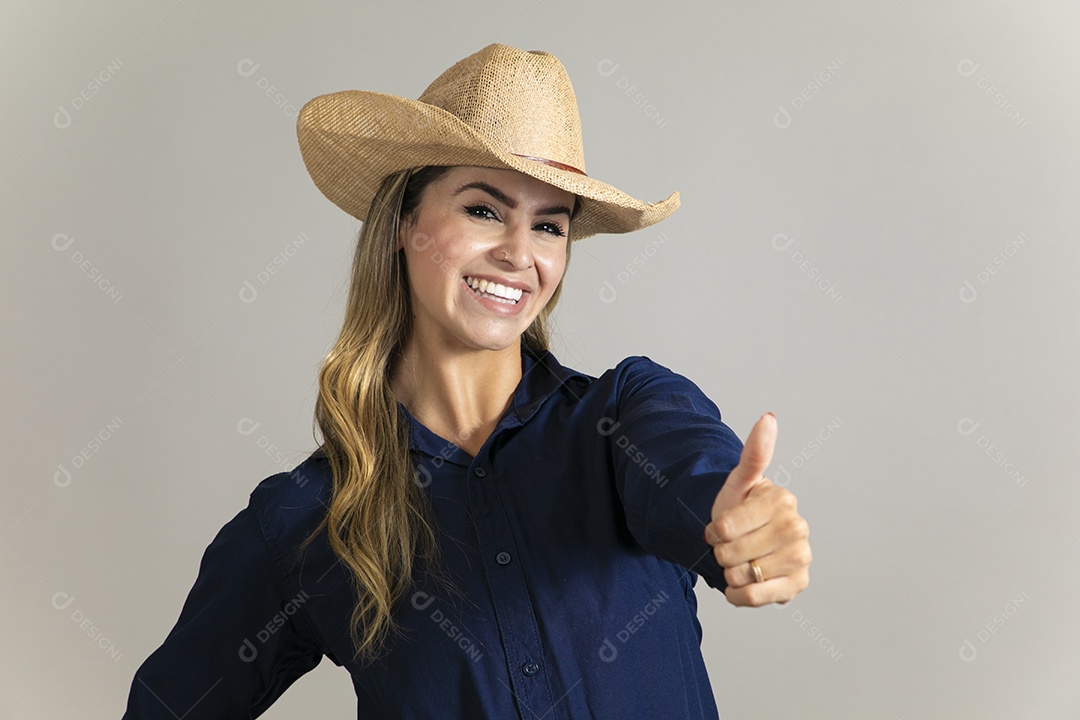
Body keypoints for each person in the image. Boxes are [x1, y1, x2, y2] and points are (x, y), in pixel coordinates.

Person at [121, 42, 811, 719]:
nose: (518, 253)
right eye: (484, 210)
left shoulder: (626, 416)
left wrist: (743, 524)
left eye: (549, 226)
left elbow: (703, 481)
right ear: (402, 223)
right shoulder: (306, 519)